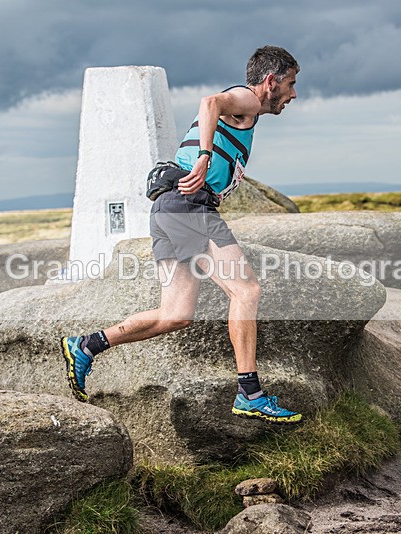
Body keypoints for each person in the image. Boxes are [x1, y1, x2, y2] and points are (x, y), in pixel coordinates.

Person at [61, 46, 302, 423]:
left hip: (168, 210)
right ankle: (250, 393)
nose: (293, 94)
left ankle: (87, 345)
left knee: (175, 315)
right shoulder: (247, 99)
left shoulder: (246, 113)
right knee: (247, 290)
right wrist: (205, 155)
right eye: (290, 83)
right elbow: (210, 102)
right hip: (190, 207)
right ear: (270, 81)